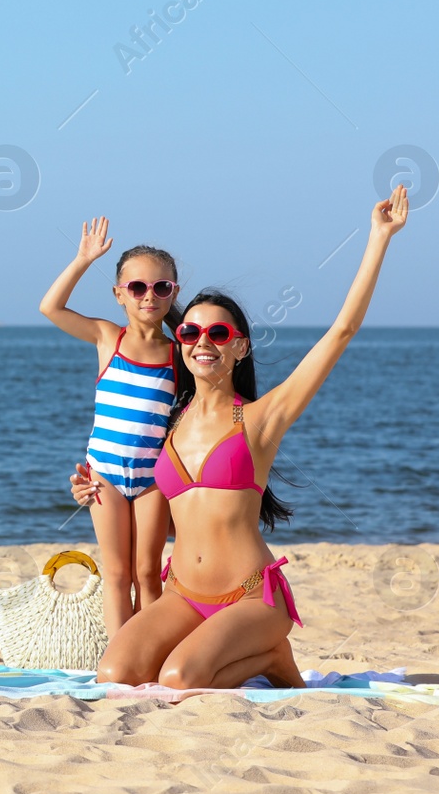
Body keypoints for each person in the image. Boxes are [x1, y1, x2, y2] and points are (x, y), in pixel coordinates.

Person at [74, 186, 411, 689]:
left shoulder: (260, 419)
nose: (203, 343)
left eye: (219, 335)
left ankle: (271, 654)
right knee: (114, 675)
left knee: (179, 680)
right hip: (181, 595)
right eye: (190, 334)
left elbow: (341, 331)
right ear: (179, 343)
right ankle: (240, 653)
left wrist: (379, 239)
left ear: (240, 347)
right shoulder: (169, 419)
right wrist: (87, 487)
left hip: (251, 596)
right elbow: (125, 468)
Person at [39, 218, 183, 637]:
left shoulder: (179, 354)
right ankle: (121, 657)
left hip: (153, 479)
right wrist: (83, 259)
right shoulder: (108, 338)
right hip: (104, 473)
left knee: (147, 573)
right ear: (120, 294)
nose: (148, 296)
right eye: (137, 287)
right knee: (118, 574)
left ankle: (151, 651)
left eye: (161, 287)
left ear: (173, 292)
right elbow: (50, 308)